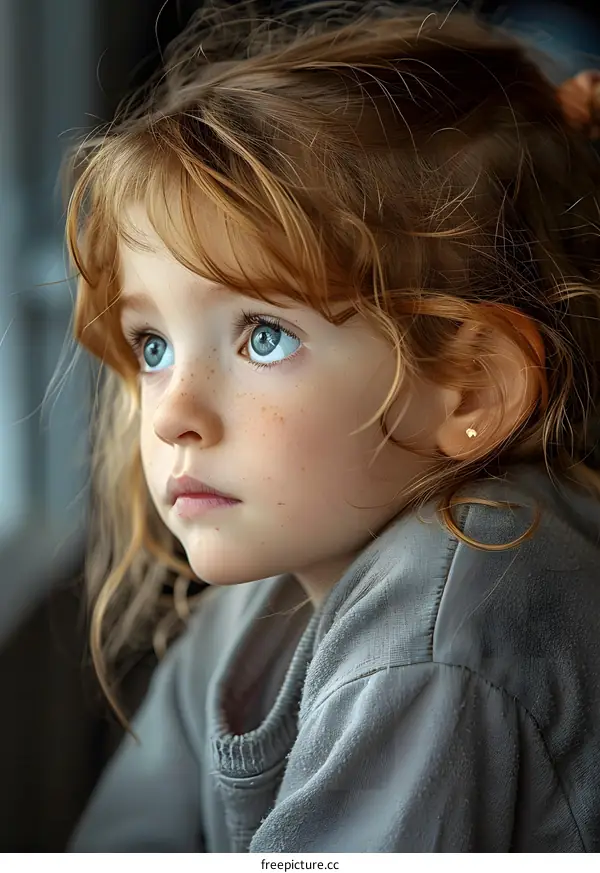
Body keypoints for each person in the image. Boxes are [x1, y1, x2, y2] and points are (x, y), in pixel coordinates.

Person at [67, 0, 600, 852]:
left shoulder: (445, 620)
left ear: (468, 387)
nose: (170, 414)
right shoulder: (254, 601)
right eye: (153, 345)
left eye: (264, 336)